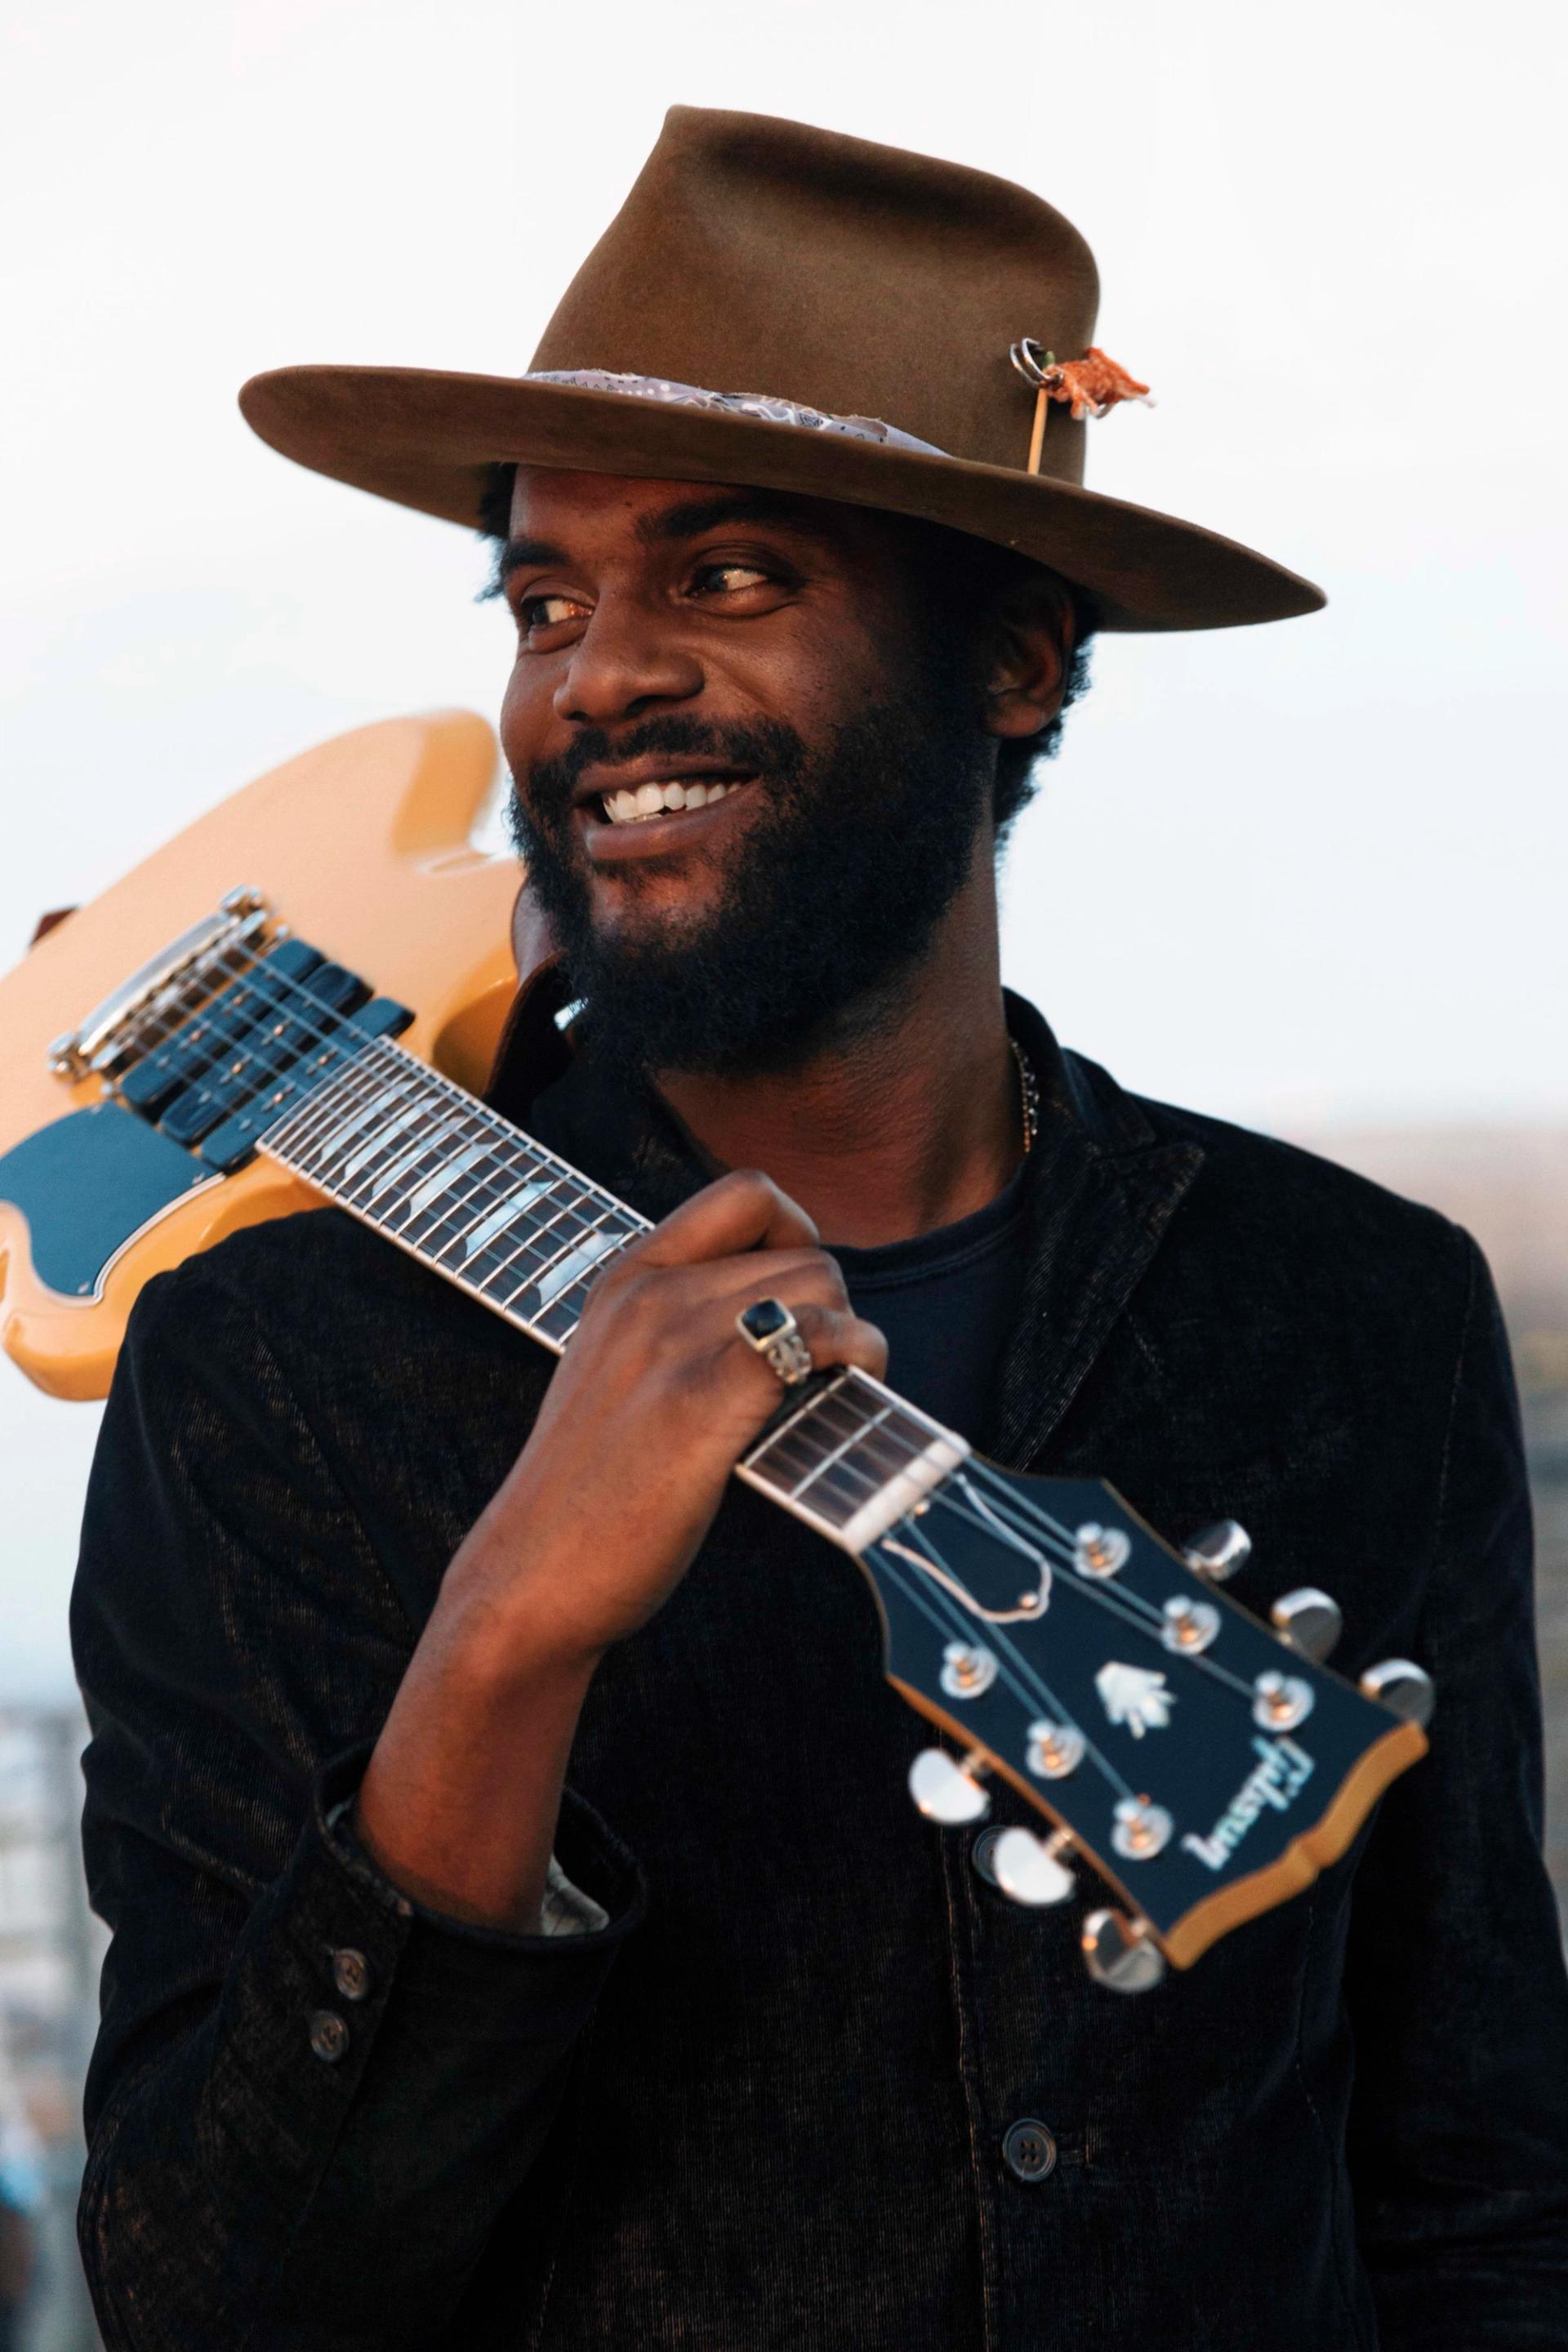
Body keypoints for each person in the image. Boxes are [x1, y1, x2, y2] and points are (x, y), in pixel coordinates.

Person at [70, 106, 1568, 2350]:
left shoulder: (1352, 1316)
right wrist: (502, 1645)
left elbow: (1475, 2193)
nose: (600, 676)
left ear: (1018, 663)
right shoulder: (273, 1363)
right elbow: (224, 2302)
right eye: (547, 599)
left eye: (730, 577)